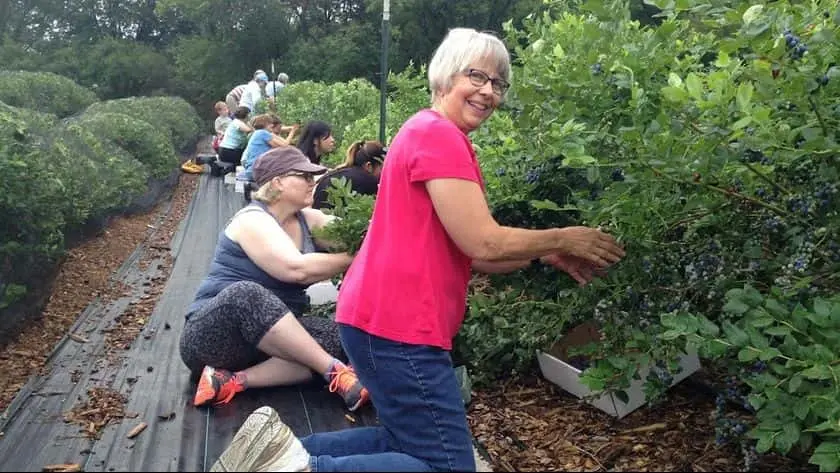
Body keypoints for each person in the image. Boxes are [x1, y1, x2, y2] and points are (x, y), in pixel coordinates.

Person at [212, 27, 625, 472]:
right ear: (447, 75)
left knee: (403, 441)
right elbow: (483, 239)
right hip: (400, 328)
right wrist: (565, 236)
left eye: (499, 83)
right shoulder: (440, 137)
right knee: (447, 466)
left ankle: (278, 455)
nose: (489, 91)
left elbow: (474, 253)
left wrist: (543, 254)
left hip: (377, 321)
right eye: (477, 76)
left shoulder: (423, 130)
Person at [179, 145, 370, 412]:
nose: (312, 182)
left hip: (268, 344)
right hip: (212, 338)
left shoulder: (308, 220)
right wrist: (360, 257)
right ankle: (336, 373)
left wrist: (372, 235)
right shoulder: (251, 220)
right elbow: (296, 269)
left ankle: (231, 381)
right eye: (303, 176)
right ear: (278, 182)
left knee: (340, 337)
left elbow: (359, 237)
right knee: (246, 293)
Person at [311, 140, 386, 210]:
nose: (383, 173)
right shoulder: (367, 180)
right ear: (369, 166)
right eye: (381, 168)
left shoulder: (341, 173)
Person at [241, 114, 299, 181]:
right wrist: (292, 131)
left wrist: (291, 129)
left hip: (253, 169)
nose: (272, 125)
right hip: (258, 170)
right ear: (264, 124)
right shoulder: (263, 133)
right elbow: (284, 146)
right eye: (270, 123)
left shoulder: (258, 132)